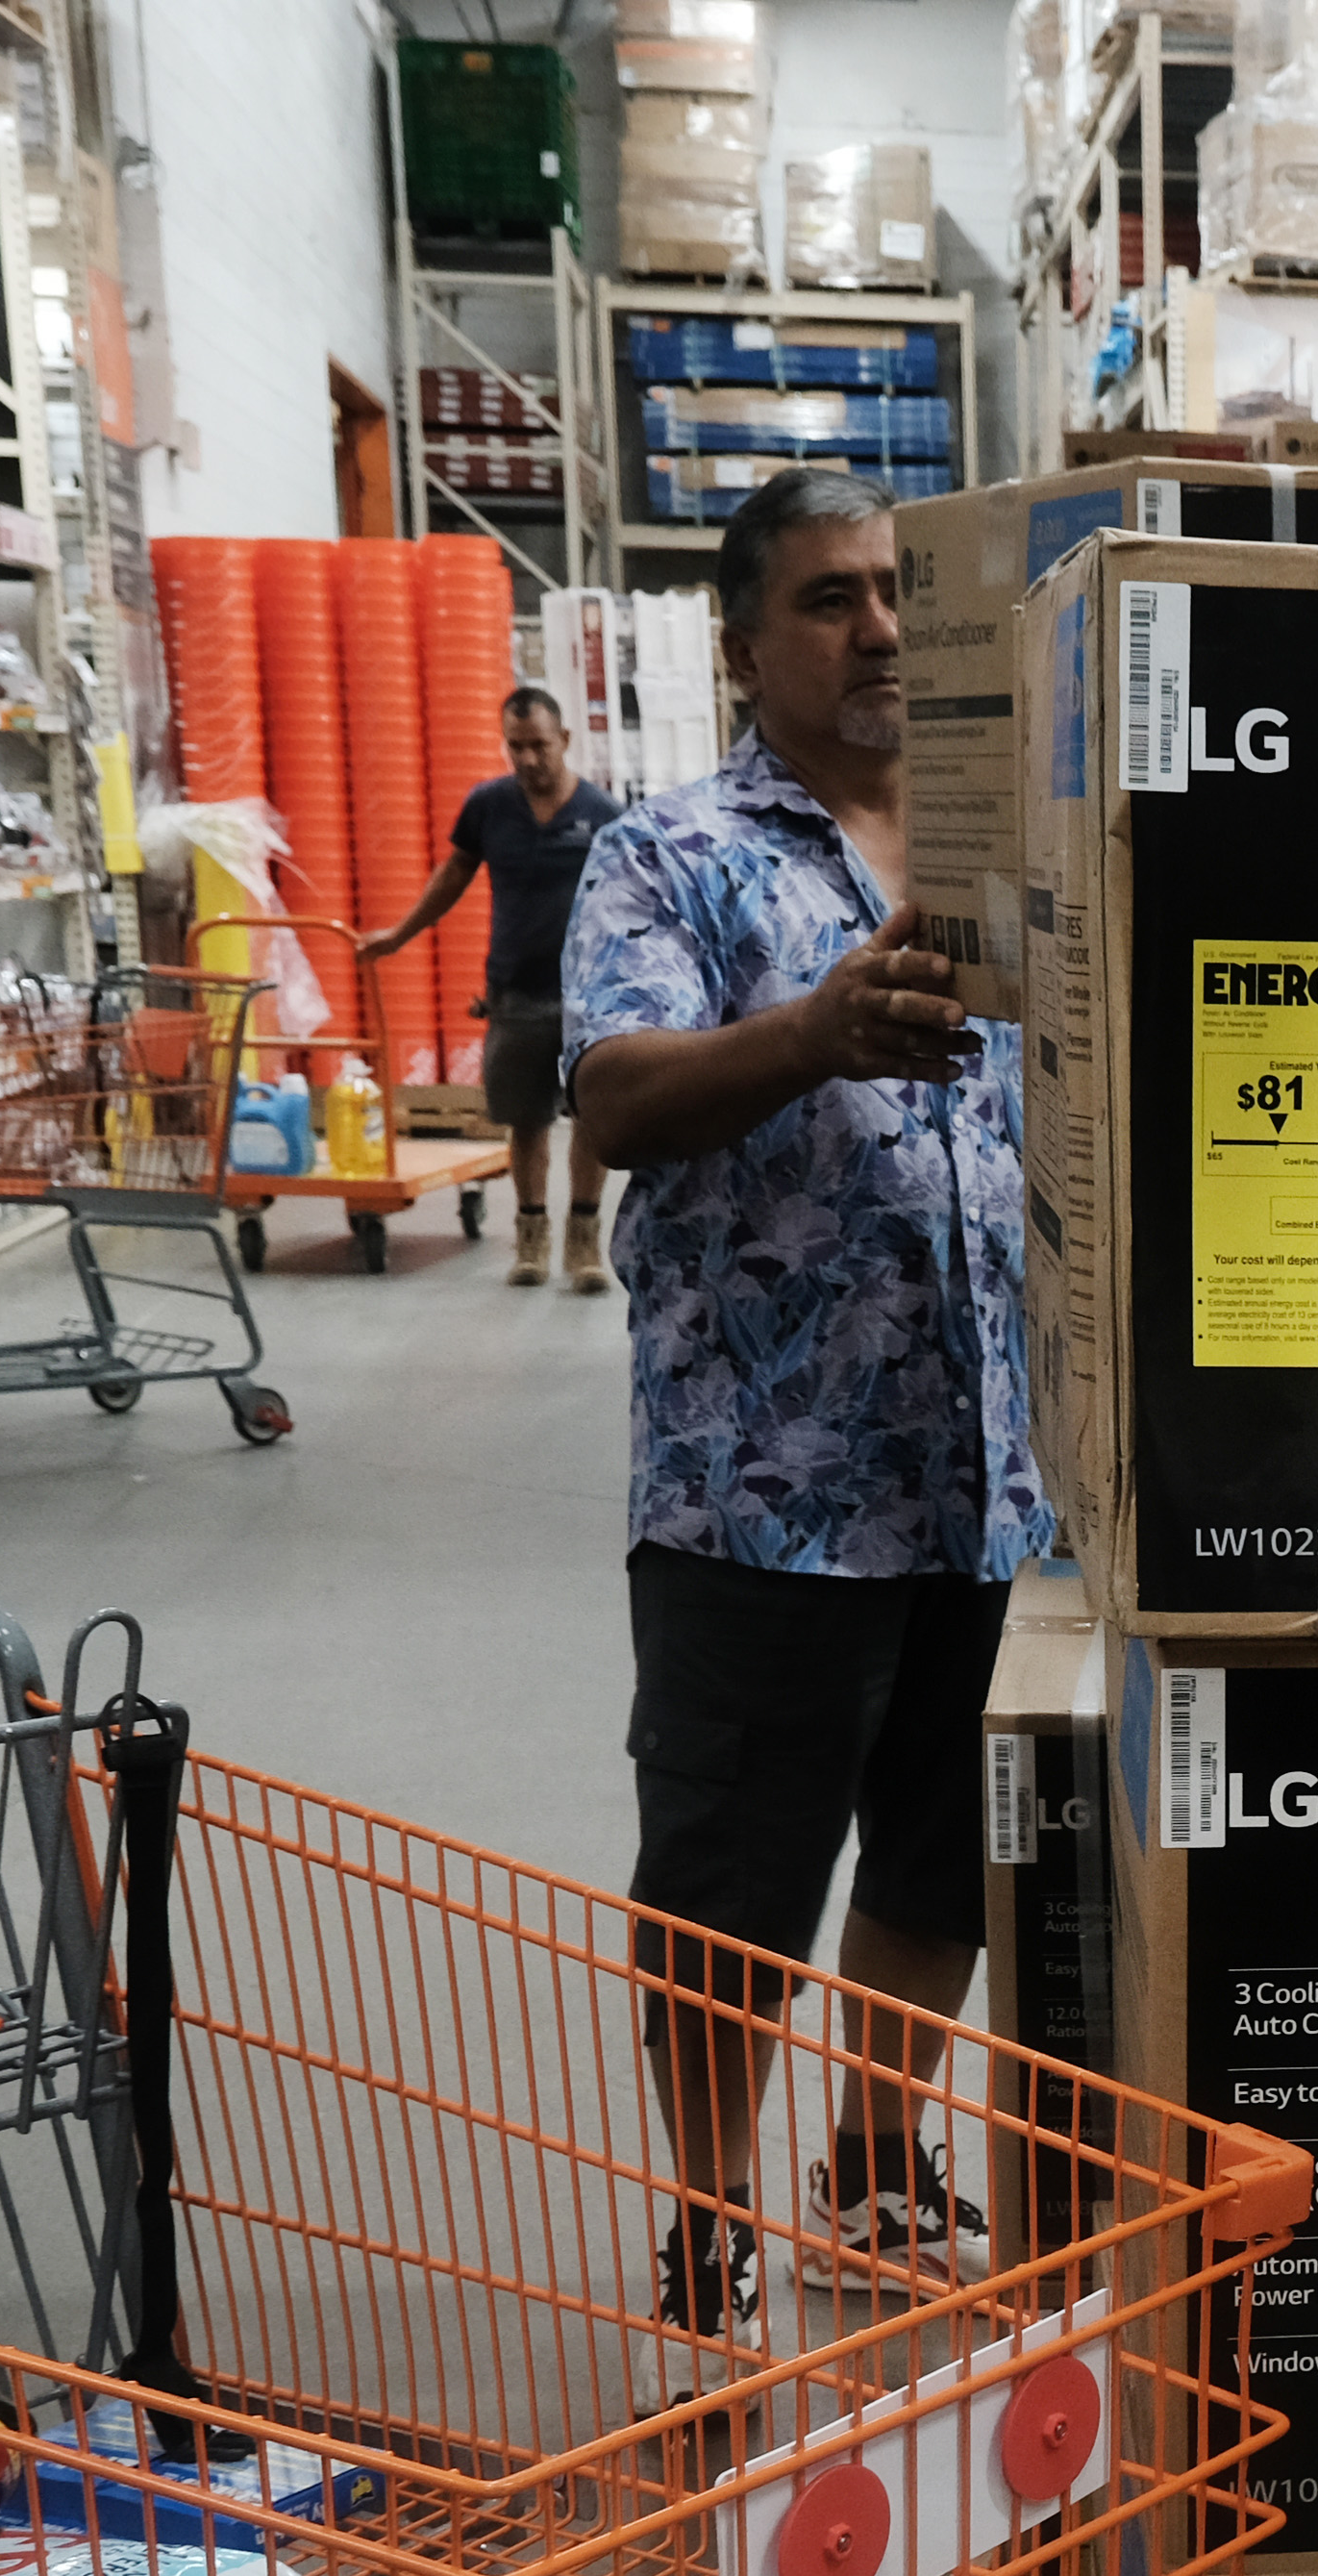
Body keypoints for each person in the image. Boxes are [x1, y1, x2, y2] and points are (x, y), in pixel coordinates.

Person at [562, 465, 1033, 2333]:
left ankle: (877, 2151)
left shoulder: (1011, 849)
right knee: (733, 1885)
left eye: (902, 595)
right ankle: (704, 2212)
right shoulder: (668, 856)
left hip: (994, 1474)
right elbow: (612, 1097)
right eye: (833, 599)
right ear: (744, 637)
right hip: (765, 1490)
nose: (883, 630)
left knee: (945, 1854)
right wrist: (811, 1033)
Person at [353, 682, 621, 1287]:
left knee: (593, 1117)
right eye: (515, 746)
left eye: (538, 746)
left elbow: (631, 904)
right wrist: (400, 935)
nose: (526, 759)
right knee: (525, 1119)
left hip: (588, 997)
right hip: (515, 992)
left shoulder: (603, 817)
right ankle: (531, 1238)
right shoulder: (489, 806)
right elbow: (454, 875)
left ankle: (583, 1242)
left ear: (565, 742)